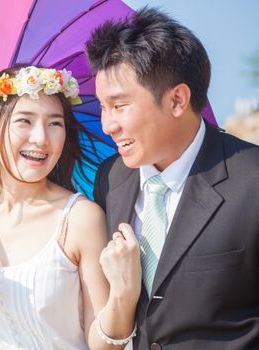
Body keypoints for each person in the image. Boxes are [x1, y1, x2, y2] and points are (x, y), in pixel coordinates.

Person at [0, 65, 141, 349]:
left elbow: (104, 345)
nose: (41, 138)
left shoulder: (81, 219)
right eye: (24, 121)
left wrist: (123, 296)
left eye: (55, 123)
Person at [87, 8, 259, 350]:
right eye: (103, 107)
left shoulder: (252, 180)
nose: (108, 125)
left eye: (119, 106)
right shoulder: (109, 179)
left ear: (178, 100)